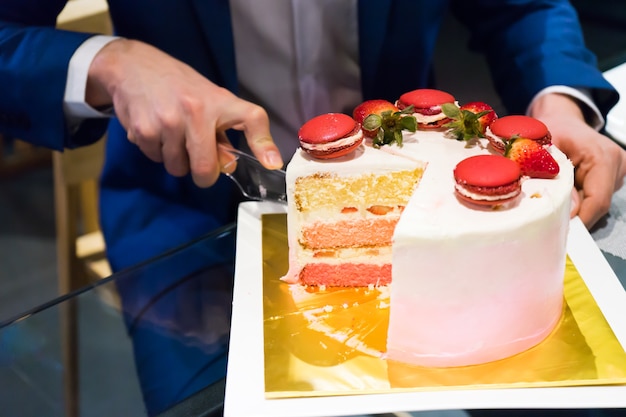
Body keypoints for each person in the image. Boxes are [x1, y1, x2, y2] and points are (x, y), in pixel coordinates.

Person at [1, 0, 625, 415]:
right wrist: (109, 62)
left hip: (428, 183)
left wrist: (559, 101)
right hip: (189, 210)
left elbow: (524, 7)